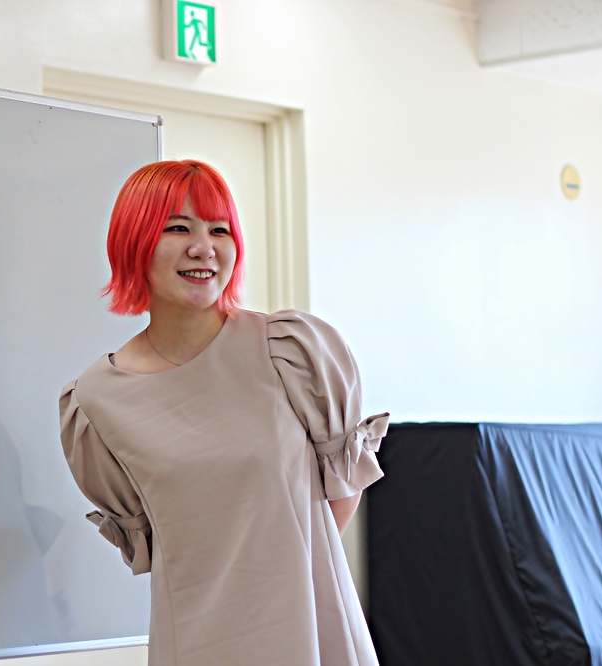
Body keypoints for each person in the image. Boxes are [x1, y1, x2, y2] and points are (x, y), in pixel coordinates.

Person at [59, 159, 389, 666]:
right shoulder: (96, 401)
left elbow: (339, 496)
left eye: (220, 229)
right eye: (178, 228)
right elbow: (161, 547)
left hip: (309, 625)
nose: (203, 248)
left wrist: (285, 585)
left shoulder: (289, 351)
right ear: (134, 241)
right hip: (195, 642)